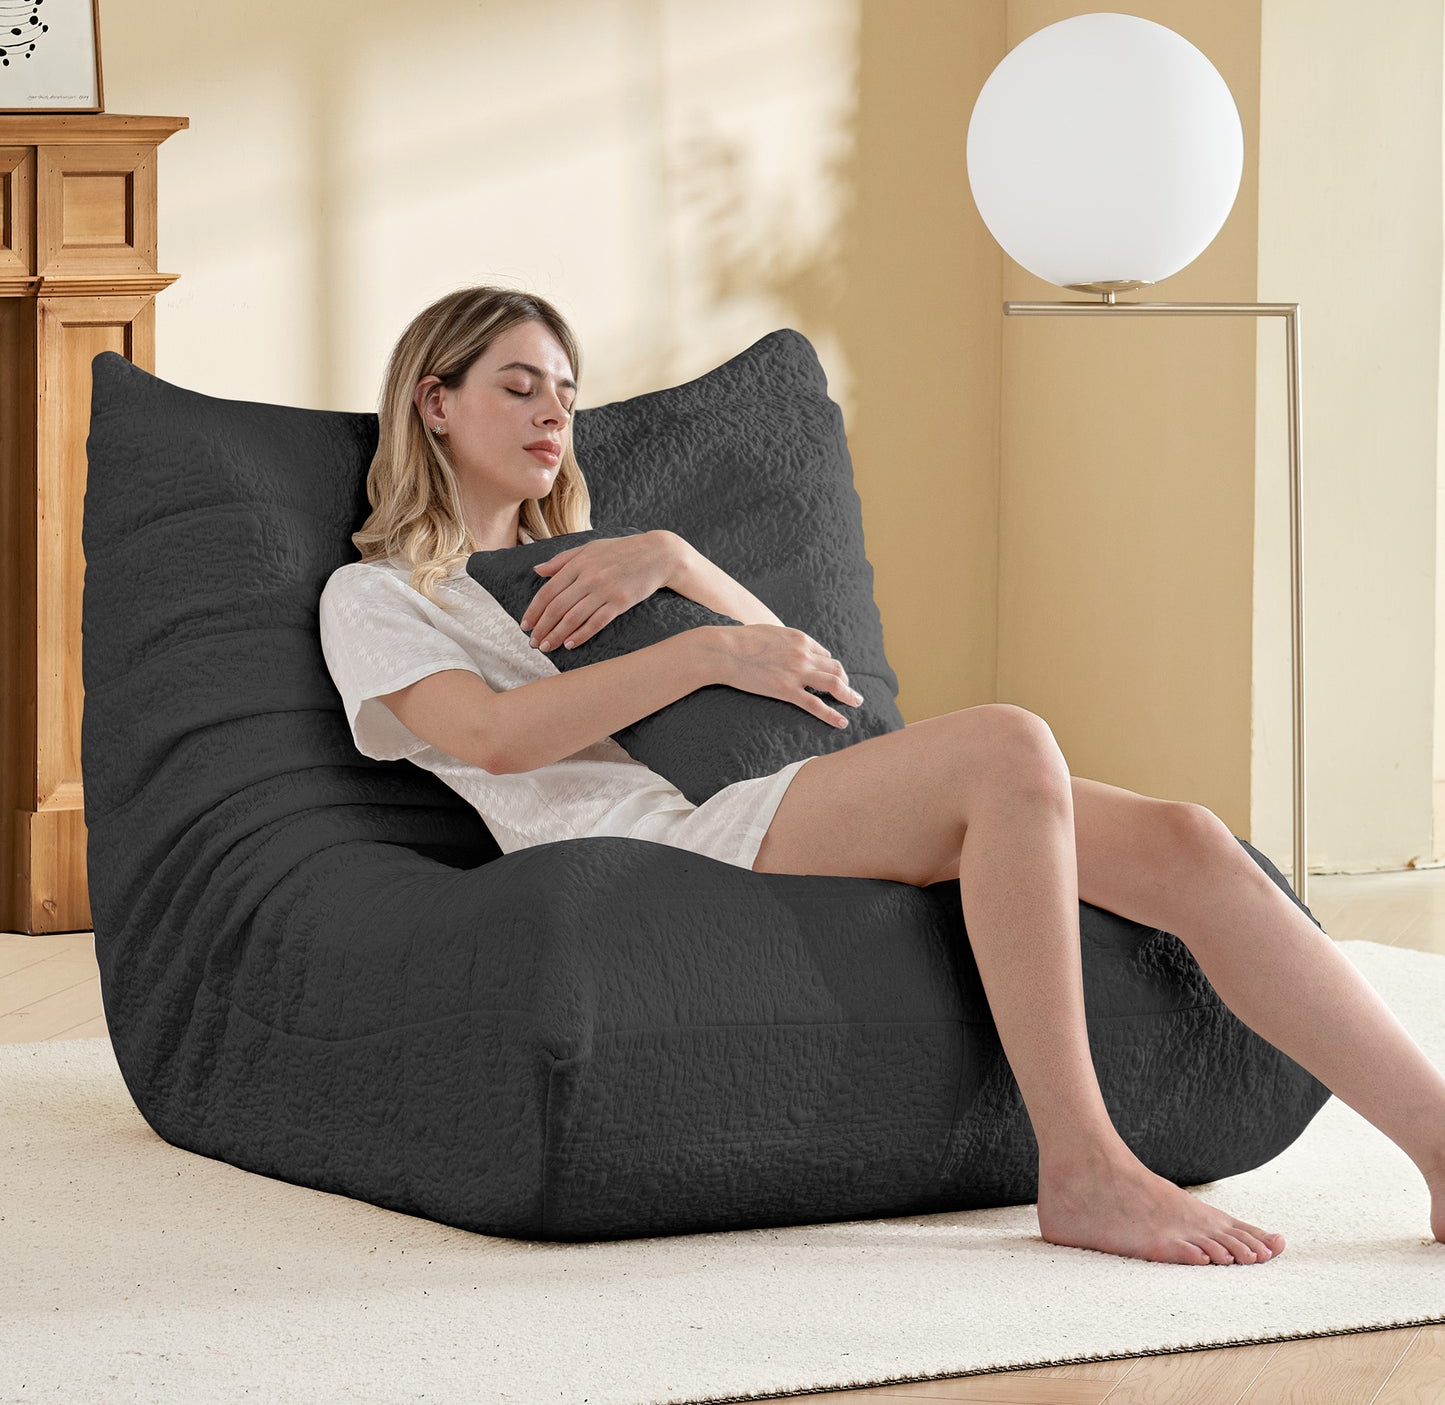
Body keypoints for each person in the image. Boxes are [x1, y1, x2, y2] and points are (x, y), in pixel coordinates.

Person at [320, 284, 1445, 1270]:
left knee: (1189, 838)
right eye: (518, 387)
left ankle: (1441, 1144)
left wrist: (673, 561)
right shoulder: (377, 596)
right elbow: (495, 739)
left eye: (562, 389)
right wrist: (700, 648)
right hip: (650, 841)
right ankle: (1084, 1163)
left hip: (771, 789)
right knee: (1005, 743)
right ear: (433, 400)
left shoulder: (601, 561)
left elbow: (806, 678)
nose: (553, 413)